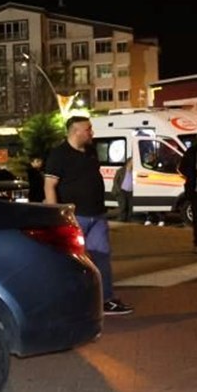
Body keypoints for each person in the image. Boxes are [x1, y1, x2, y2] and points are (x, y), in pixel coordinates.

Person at [44, 116, 134, 316]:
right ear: (76, 131)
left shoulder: (91, 151)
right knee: (69, 259)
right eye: (88, 129)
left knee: (102, 257)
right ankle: (63, 300)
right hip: (76, 217)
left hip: (97, 215)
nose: (92, 133)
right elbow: (50, 186)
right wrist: (54, 216)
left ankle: (106, 300)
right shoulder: (59, 155)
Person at [112, 155, 134, 222]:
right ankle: (121, 220)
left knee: (130, 207)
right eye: (133, 162)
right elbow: (115, 180)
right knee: (123, 206)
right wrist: (118, 190)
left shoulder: (134, 171)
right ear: (129, 162)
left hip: (130, 192)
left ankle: (128, 220)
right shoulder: (121, 170)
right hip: (122, 191)